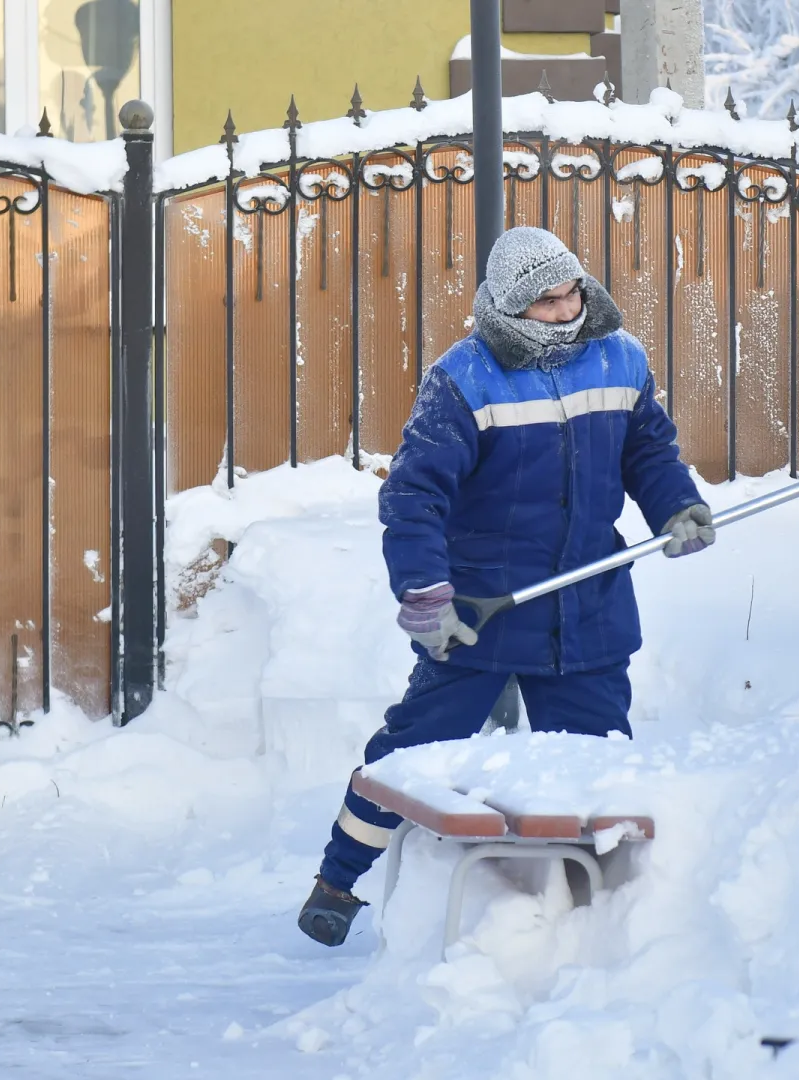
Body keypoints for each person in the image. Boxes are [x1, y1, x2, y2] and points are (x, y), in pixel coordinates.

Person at [296, 227, 713, 947]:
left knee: (598, 770)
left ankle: (593, 923)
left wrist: (676, 503)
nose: (566, 309)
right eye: (547, 301)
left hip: (588, 606)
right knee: (410, 752)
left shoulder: (621, 358)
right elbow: (414, 498)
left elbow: (648, 448)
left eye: (572, 292)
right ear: (512, 309)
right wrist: (427, 595)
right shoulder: (464, 379)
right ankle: (337, 879)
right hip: (483, 611)